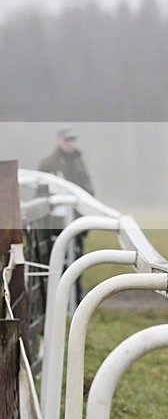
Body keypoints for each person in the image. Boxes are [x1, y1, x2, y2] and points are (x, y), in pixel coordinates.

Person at [38, 126, 95, 301]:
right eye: (67, 140)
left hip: (76, 220)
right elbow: (41, 193)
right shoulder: (48, 163)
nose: (70, 144)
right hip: (56, 223)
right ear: (58, 140)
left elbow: (87, 188)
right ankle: (56, 302)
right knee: (56, 263)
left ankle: (75, 301)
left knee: (77, 261)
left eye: (72, 140)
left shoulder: (78, 160)